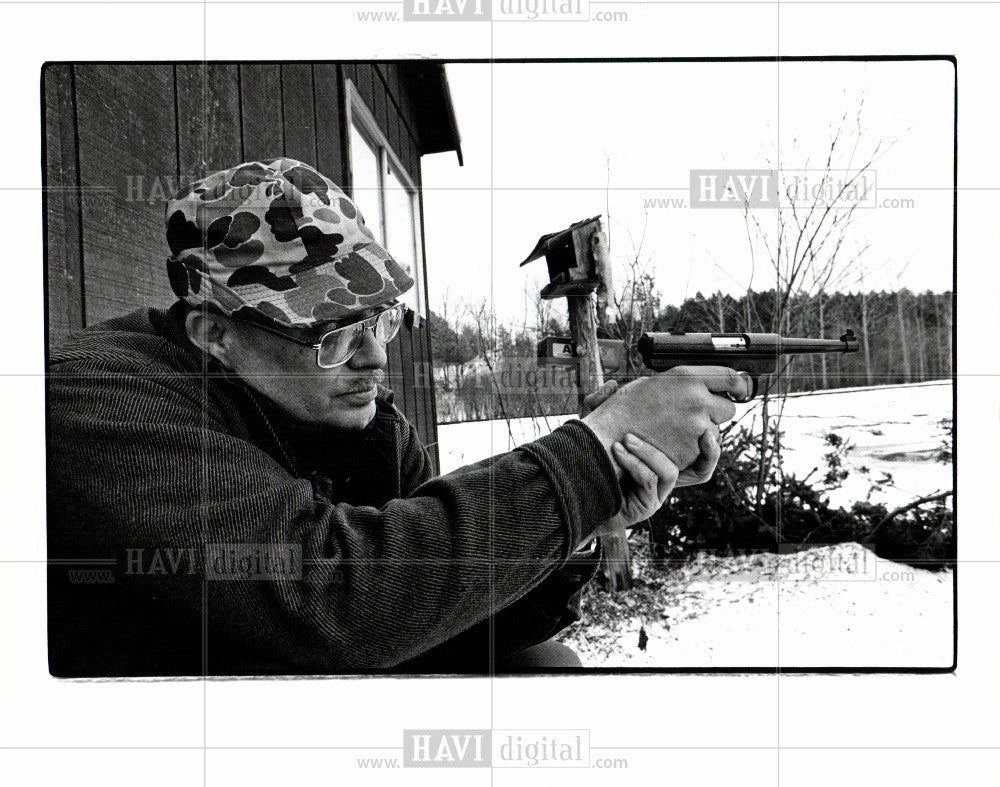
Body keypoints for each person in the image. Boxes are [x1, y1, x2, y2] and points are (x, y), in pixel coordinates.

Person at [46, 158, 748, 677]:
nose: (374, 359)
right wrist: (584, 457)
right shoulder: (98, 400)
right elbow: (336, 596)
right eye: (332, 335)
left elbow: (453, 609)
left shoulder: (348, 413)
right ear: (213, 334)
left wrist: (587, 516)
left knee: (543, 668)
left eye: (381, 320)